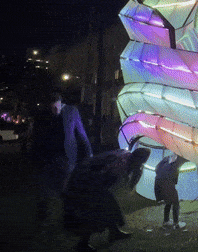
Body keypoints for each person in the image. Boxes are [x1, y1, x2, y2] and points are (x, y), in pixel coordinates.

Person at [63, 147, 150, 252]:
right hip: (85, 180)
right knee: (95, 213)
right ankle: (83, 244)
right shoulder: (120, 165)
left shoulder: (125, 156)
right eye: (144, 160)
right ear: (139, 159)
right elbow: (102, 182)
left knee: (109, 206)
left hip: (89, 178)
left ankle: (114, 232)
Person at [30, 93, 93, 224]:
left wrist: (89, 152)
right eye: (52, 108)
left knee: (66, 185)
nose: (55, 111)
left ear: (60, 103)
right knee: (45, 187)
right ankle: (44, 215)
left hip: (67, 155)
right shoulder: (43, 115)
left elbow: (81, 131)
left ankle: (68, 215)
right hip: (48, 156)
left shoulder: (71, 111)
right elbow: (37, 135)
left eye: (56, 108)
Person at [155, 153, 189, 229]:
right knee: (175, 203)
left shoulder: (167, 158)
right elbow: (188, 158)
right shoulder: (179, 158)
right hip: (168, 183)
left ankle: (166, 221)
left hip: (159, 182)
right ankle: (176, 224)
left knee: (168, 202)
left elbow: (156, 168)